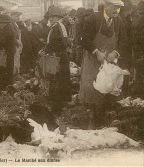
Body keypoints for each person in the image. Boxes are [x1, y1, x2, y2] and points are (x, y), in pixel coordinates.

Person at [79, 0, 127, 129]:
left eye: (119, 8)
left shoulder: (118, 21)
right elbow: (85, 39)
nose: (117, 11)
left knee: (110, 86)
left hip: (110, 60)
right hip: (93, 59)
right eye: (115, 8)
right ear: (106, 6)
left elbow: (124, 40)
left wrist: (116, 53)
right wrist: (96, 52)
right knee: (92, 88)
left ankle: (105, 117)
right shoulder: (93, 18)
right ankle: (92, 118)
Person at [40, 6, 71, 115]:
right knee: (60, 80)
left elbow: (56, 43)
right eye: (50, 17)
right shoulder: (58, 26)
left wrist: (46, 50)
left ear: (57, 17)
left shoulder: (57, 27)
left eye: (52, 17)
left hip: (58, 58)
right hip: (60, 56)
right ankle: (59, 104)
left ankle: (57, 107)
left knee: (58, 81)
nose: (50, 19)